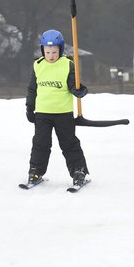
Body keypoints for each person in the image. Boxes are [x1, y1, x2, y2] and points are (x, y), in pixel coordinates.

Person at [24, 29, 90, 188]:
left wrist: (79, 90)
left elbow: (74, 85)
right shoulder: (38, 65)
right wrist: (29, 108)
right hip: (42, 113)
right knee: (40, 143)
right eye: (47, 52)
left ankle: (78, 171)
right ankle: (35, 171)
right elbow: (32, 89)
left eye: (54, 52)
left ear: (60, 50)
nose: (51, 55)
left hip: (63, 113)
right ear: (42, 50)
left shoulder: (67, 64)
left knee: (69, 143)